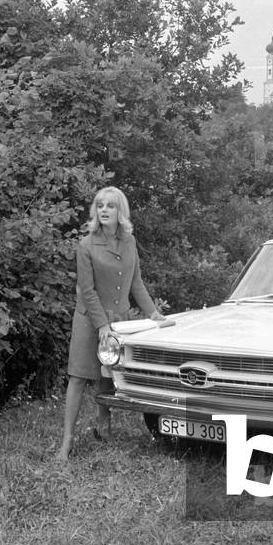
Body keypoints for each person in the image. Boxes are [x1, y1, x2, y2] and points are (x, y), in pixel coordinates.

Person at [55, 186, 164, 460]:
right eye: (100, 205)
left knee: (108, 377)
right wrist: (102, 325)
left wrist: (153, 313)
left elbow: (135, 282)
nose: (104, 210)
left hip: (119, 322)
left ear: (120, 211)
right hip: (89, 320)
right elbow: (87, 290)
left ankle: (103, 429)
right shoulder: (86, 245)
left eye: (110, 206)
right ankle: (66, 441)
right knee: (78, 378)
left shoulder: (129, 242)